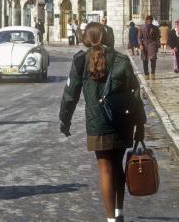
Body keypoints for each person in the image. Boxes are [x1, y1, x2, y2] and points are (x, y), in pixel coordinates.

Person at [59, 23, 144, 222]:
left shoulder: (81, 60)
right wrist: (140, 124)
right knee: (118, 166)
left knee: (105, 169)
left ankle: (110, 219)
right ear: (106, 37)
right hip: (122, 120)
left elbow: (70, 94)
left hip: (97, 123)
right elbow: (136, 92)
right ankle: (119, 213)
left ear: (86, 38)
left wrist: (65, 119)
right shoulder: (121, 58)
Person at [138, 15, 160, 80]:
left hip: (152, 44)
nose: (149, 22)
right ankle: (146, 74)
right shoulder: (141, 28)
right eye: (148, 21)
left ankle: (153, 73)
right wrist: (140, 45)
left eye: (150, 21)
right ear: (146, 21)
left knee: (153, 59)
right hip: (144, 45)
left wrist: (157, 45)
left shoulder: (155, 28)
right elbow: (139, 37)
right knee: (145, 60)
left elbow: (158, 37)